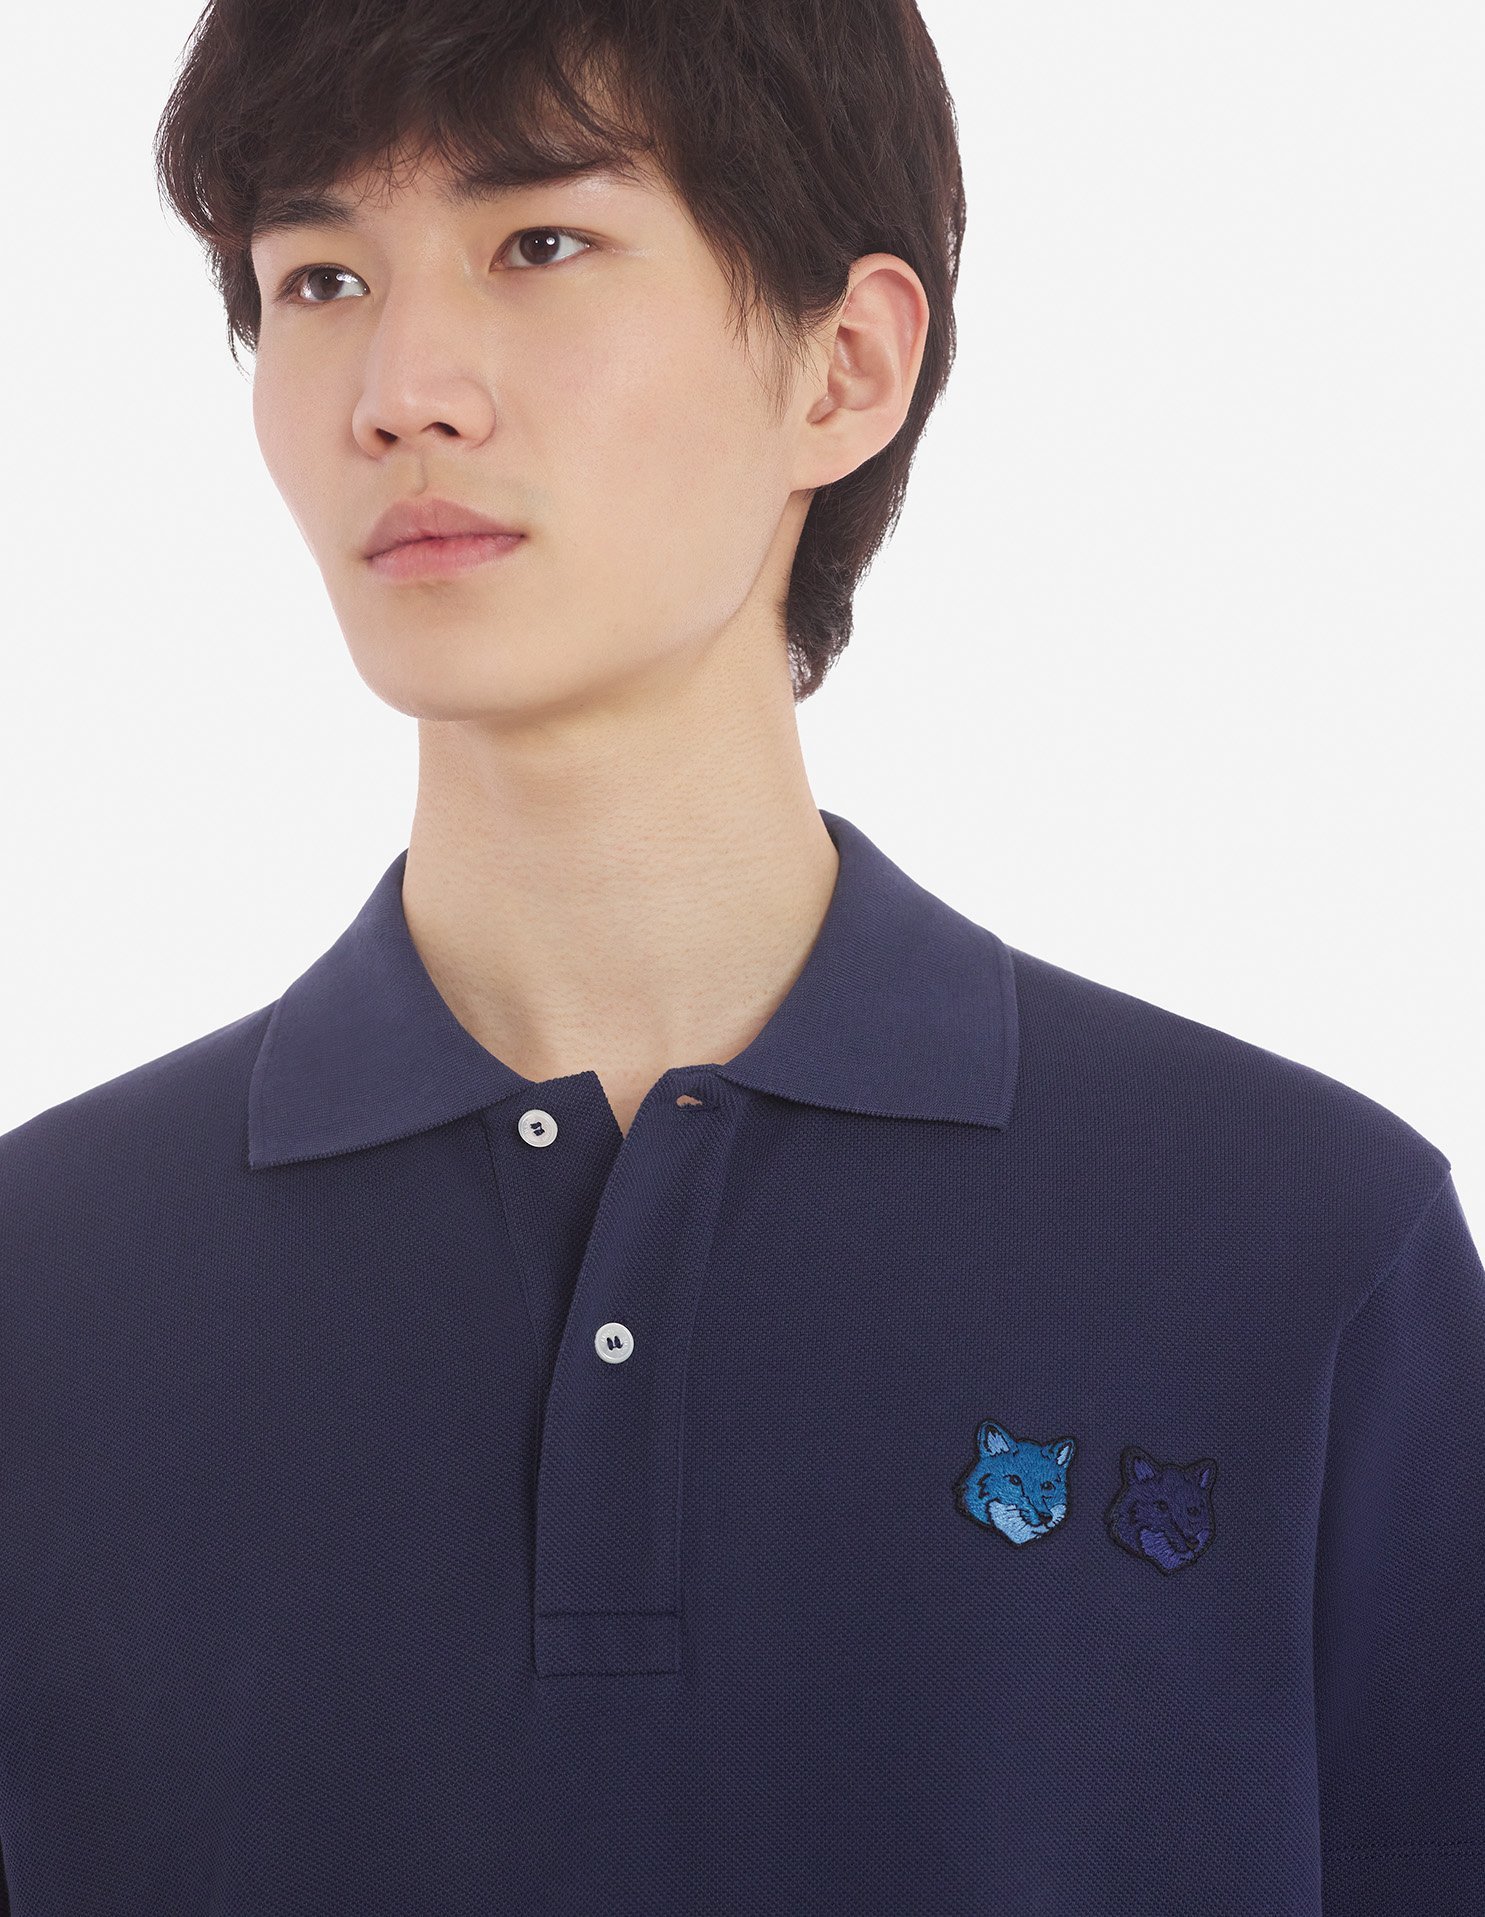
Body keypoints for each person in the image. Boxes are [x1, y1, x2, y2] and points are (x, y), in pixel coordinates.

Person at [0, 3, 1479, 1913]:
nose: (400, 390)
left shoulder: (1297, 1246)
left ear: (845, 367)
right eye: (321, 278)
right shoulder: (41, 1290)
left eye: (540, 242)